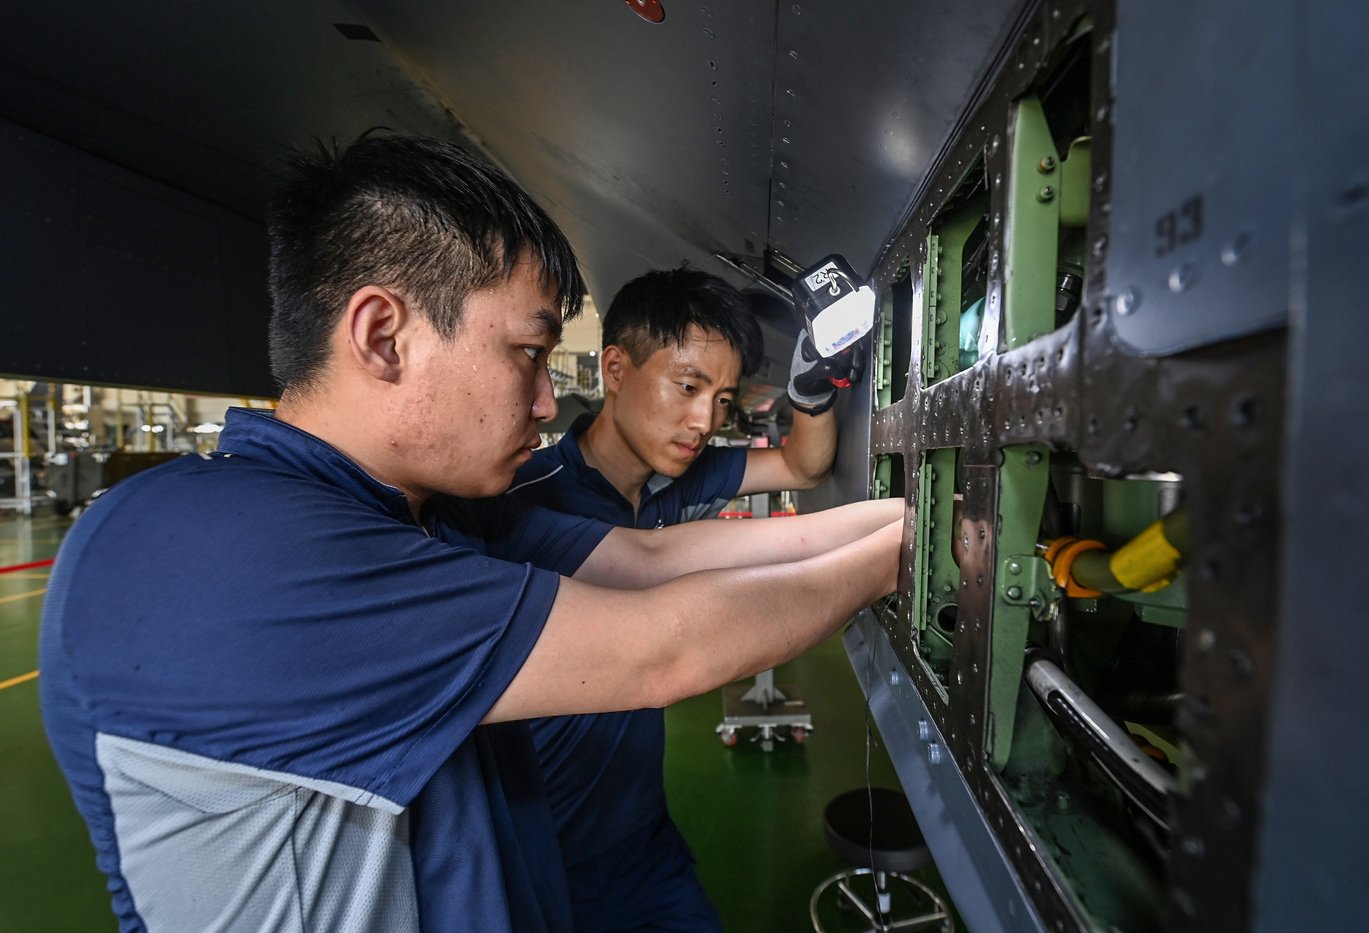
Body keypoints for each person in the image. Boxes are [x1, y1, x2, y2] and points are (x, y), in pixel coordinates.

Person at [38, 134, 901, 933]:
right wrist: (908, 556)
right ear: (383, 336)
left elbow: (649, 558)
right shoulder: (213, 548)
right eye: (526, 352)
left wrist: (903, 522)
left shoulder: (436, 511)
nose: (540, 402)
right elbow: (661, 650)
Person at [508, 266, 860, 931]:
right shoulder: (530, 500)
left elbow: (802, 466)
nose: (704, 421)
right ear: (616, 368)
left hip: (642, 841)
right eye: (688, 386)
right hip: (540, 853)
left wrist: (813, 383)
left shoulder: (680, 477)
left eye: (723, 399)